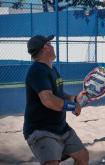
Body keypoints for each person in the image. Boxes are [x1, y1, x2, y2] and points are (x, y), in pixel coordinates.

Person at [23, 35, 89, 165]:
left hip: (61, 128)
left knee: (83, 156)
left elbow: (58, 94)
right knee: (51, 162)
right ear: (45, 48)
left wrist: (74, 99)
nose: (53, 46)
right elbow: (48, 100)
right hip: (41, 130)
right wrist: (72, 107)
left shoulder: (52, 69)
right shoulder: (37, 70)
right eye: (50, 43)